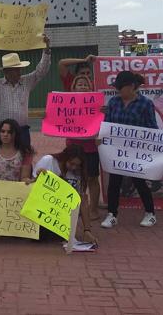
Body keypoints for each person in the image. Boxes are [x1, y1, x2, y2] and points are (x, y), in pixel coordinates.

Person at [100, 71, 159, 229]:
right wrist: (101, 137)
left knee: (139, 181)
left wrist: (162, 147)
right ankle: (112, 214)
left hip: (136, 150)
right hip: (116, 150)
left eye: (121, 87)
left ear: (132, 86)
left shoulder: (145, 104)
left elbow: (152, 127)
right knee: (114, 182)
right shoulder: (113, 102)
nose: (118, 90)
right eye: (117, 87)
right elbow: (107, 124)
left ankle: (150, 213)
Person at [0, 35, 51, 148]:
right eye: (16, 69)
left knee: (23, 161)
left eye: (19, 68)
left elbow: (41, 71)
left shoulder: (26, 81)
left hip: (21, 131)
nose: (19, 71)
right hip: (0, 131)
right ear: (6, 72)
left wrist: (46, 49)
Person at [33, 144, 98, 244]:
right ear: (64, 158)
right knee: (39, 237)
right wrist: (38, 176)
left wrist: (87, 230)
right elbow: (31, 185)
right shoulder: (48, 160)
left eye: (77, 165)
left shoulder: (78, 173)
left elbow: (82, 200)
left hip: (60, 213)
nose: (73, 168)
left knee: (56, 237)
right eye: (71, 164)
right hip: (42, 209)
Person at [67, 75, 101, 220]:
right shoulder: (66, 104)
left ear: (90, 87)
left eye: (85, 84)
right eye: (79, 84)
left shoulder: (97, 105)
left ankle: (93, 209)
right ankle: (77, 207)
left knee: (93, 178)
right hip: (73, 148)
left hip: (91, 147)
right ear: (73, 87)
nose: (82, 87)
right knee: (76, 178)